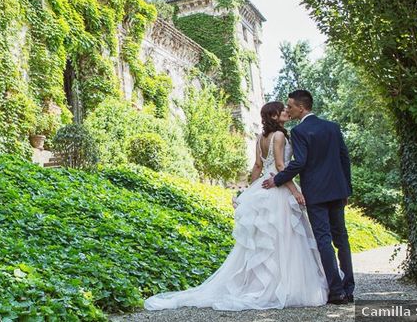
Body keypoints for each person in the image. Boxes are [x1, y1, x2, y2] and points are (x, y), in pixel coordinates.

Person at [144, 101, 328, 311]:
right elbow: (279, 166)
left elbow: (257, 166)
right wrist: (295, 191)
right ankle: (283, 285)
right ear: (274, 116)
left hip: (263, 186)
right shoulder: (279, 136)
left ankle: (266, 283)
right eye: (282, 110)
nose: (286, 111)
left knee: (266, 240)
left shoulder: (260, 138)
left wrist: (250, 191)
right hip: (277, 187)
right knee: (283, 236)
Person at [262, 89, 354, 304]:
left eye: (291, 106)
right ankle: (349, 289)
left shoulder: (300, 131)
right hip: (337, 190)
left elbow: (299, 162)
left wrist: (277, 179)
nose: (289, 109)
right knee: (342, 238)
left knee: (324, 239)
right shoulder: (332, 127)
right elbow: (344, 159)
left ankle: (336, 291)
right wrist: (347, 189)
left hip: (316, 193)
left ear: (301, 108)